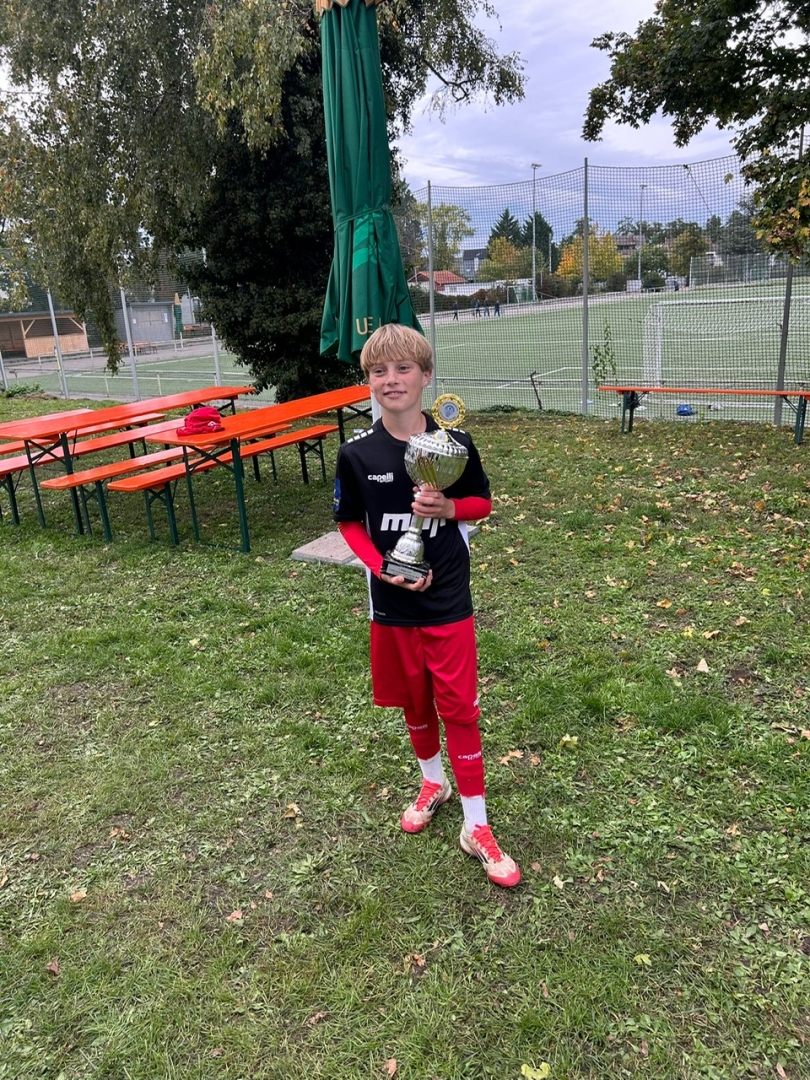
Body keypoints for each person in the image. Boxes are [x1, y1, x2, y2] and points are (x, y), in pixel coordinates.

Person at [333, 324, 520, 888]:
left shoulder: (454, 444)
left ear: (426, 376)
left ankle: (476, 825)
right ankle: (432, 782)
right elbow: (348, 522)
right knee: (414, 702)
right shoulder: (356, 453)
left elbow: (483, 502)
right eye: (379, 371)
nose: (391, 380)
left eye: (403, 369)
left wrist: (451, 508)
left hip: (448, 603)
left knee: (459, 710)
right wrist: (380, 566)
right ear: (369, 381)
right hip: (392, 607)